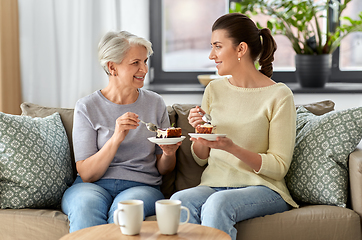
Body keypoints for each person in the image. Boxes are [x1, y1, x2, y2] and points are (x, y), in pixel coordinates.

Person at [170, 13, 298, 240]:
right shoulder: (213, 90)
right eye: (212, 47)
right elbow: (201, 158)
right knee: (178, 202)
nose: (211, 55)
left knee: (217, 204)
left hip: (263, 188)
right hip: (215, 183)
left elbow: (279, 167)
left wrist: (231, 147)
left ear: (241, 49)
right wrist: (200, 135)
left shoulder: (279, 95)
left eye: (218, 47)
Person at [61, 31, 181, 232]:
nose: (144, 69)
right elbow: (88, 174)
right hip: (92, 186)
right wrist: (116, 138)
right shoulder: (87, 106)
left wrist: (169, 154)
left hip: (141, 186)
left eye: (145, 61)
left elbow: (164, 169)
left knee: (124, 212)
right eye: (135, 63)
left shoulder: (155, 103)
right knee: (85, 207)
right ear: (112, 67)